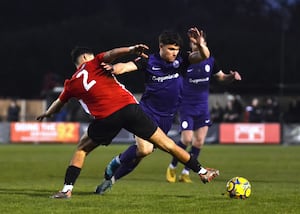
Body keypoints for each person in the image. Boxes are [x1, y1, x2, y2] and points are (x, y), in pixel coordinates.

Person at [36, 43, 219, 199]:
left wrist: (47, 114)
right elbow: (113, 53)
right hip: (130, 108)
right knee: (168, 144)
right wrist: (131, 48)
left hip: (106, 117)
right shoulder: (96, 61)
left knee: (82, 149)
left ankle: (67, 190)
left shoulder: (71, 83)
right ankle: (202, 172)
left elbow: (58, 103)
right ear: (86, 56)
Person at [96, 27, 217, 194]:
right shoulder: (149, 61)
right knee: (144, 149)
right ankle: (115, 162)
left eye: (177, 49)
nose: (175, 53)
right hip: (146, 113)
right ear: (161, 46)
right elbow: (126, 66)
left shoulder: (181, 62)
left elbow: (204, 55)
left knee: (140, 155)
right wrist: (113, 68)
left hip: (166, 119)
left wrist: (200, 43)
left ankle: (113, 178)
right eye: (171, 49)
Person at [166, 40, 241, 183]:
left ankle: (186, 173)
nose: (197, 44)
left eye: (200, 42)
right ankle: (172, 166)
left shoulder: (211, 61)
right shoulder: (185, 61)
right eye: (194, 42)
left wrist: (231, 77)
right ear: (190, 45)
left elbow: (222, 78)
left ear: (205, 43)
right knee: (186, 139)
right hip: (186, 106)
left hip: (202, 108)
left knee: (199, 142)